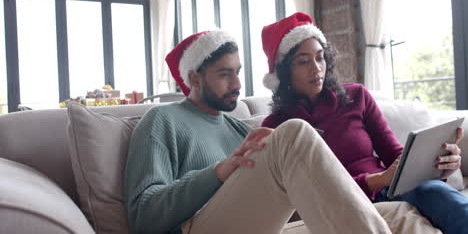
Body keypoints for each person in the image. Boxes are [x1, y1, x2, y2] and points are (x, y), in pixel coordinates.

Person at [123, 30, 438, 234]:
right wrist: (218, 172)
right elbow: (143, 217)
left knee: (397, 213)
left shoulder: (236, 130)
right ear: (193, 78)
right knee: (293, 134)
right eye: (224, 74)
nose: (236, 84)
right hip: (196, 227)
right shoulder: (162, 120)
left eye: (238, 73)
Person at [260, 12, 468, 234]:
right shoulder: (278, 127)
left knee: (437, 192)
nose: (316, 68)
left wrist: (436, 164)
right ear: (284, 71)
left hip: (389, 189)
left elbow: (395, 155)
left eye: (320, 57)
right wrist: (377, 180)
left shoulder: (356, 96)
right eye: (303, 61)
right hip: (344, 206)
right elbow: (305, 197)